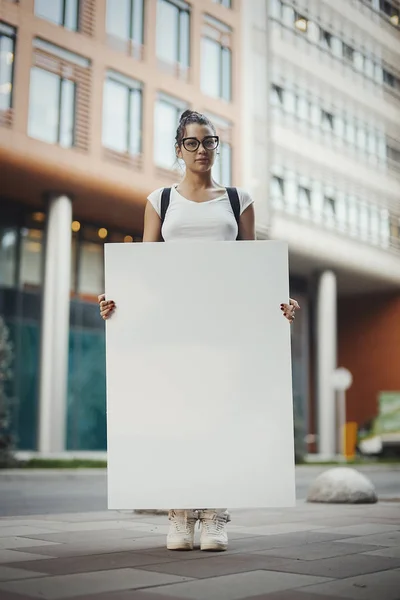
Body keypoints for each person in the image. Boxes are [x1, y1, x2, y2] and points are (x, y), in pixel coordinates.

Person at [98, 110, 300, 553]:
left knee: (220, 413)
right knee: (177, 414)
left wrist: (279, 305)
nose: (202, 150)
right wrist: (116, 303)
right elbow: (144, 270)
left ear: (216, 147)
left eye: (209, 142)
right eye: (192, 143)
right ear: (178, 149)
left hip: (225, 328)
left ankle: (213, 516)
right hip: (173, 327)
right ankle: (179, 513)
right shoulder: (160, 201)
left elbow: (254, 269)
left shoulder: (237, 200)